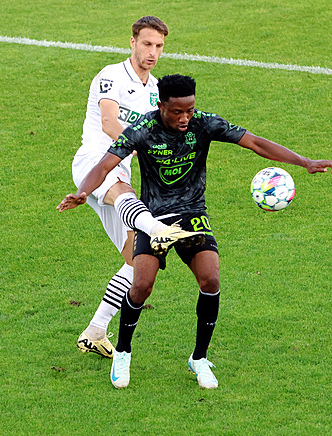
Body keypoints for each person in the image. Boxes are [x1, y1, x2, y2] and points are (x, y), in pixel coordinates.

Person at [57, 74, 332, 389]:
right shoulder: (142, 131)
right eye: (177, 112)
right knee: (141, 286)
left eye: (189, 110)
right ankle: (123, 351)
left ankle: (199, 358)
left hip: (193, 214)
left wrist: (305, 162)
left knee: (211, 279)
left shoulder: (204, 124)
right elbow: (103, 166)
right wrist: (84, 192)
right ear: (161, 106)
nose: (184, 118)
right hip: (153, 216)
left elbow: (256, 143)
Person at [62, 17, 204, 359]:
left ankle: (95, 330)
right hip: (96, 164)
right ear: (132, 42)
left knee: (136, 261)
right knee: (127, 195)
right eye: (147, 44)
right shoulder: (110, 76)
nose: (152, 52)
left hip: (121, 171)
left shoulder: (157, 91)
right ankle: (157, 227)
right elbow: (110, 122)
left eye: (158, 46)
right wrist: (143, 145)